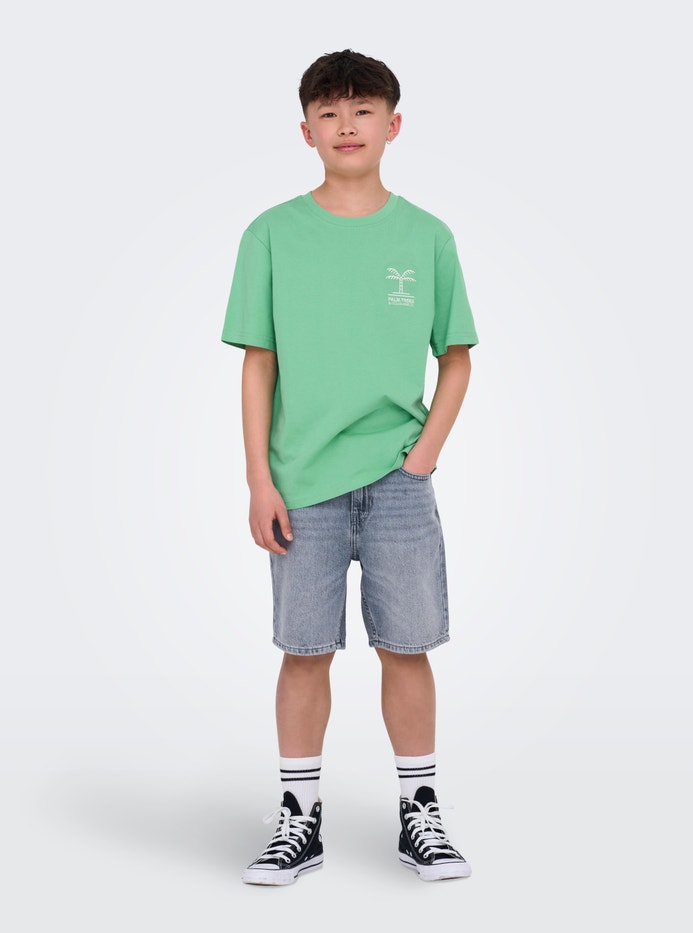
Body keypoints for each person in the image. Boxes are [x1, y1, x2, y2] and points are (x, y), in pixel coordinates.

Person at [221, 49, 479, 885]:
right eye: (328, 113)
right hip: (302, 484)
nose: (346, 125)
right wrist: (260, 479)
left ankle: (420, 813)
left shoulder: (426, 236)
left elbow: (457, 356)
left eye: (363, 110)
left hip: (400, 482)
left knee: (408, 646)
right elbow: (258, 362)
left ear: (393, 125)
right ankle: (300, 819)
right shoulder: (271, 234)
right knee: (304, 650)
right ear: (306, 131)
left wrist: (424, 454)